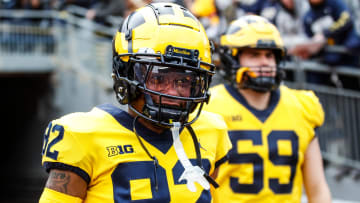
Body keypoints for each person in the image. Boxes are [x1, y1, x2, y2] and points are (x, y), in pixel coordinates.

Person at [39, 3, 232, 202]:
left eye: (183, 80)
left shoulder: (211, 131)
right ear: (126, 73)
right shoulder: (82, 136)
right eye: (158, 78)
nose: (173, 92)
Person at [204, 15, 332, 203]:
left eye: (269, 55)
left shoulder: (302, 107)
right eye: (254, 55)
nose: (265, 62)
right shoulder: (209, 107)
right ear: (232, 58)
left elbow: (318, 188)